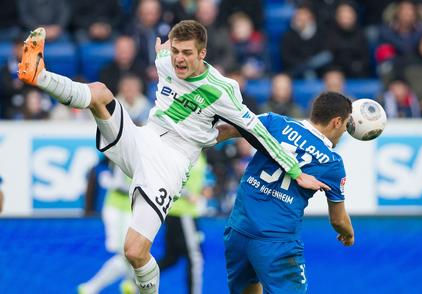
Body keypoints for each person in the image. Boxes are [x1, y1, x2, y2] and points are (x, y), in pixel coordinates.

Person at [17, 20, 327, 293]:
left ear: (202, 53)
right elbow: (163, 53)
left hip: (170, 163)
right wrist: (162, 50)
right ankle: (38, 75)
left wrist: (295, 171)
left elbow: (256, 130)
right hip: (142, 138)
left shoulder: (222, 90)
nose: (179, 58)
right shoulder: (166, 60)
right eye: (176, 51)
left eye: (187, 53)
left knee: (135, 251)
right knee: (99, 93)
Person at [218, 92, 355, 293]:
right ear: (336, 122)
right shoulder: (332, 163)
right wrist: (348, 234)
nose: (345, 130)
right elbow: (338, 220)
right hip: (277, 242)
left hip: (238, 231)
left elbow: (228, 130)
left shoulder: (274, 122)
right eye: (345, 125)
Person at [79, 165, 137, 294]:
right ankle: (92, 287)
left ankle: (129, 284)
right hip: (119, 211)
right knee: (127, 253)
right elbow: (117, 184)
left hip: (131, 211)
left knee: (132, 253)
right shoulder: (125, 156)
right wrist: (143, 190)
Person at [159, 154, 207, 294]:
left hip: (181, 213)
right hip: (183, 213)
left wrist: (203, 190)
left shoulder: (201, 154)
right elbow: (169, 178)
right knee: (196, 259)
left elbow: (196, 180)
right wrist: (188, 195)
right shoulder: (184, 151)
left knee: (171, 257)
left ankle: (134, 282)